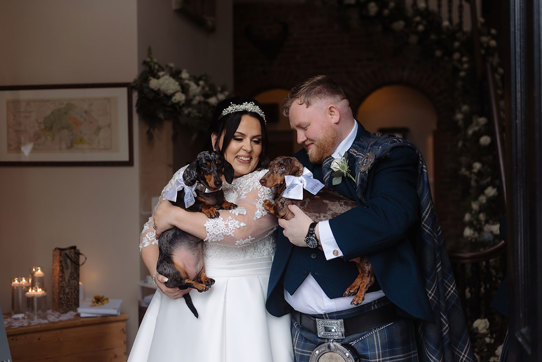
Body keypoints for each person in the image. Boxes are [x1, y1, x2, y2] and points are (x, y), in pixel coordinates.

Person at [266, 75, 475, 361]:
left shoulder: (389, 155)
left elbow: (392, 215)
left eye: (304, 127)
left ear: (333, 113)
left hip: (373, 329)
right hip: (302, 332)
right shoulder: (295, 164)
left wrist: (314, 233)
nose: (299, 138)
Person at [129, 96, 294, 362]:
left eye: (256, 140)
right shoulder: (187, 175)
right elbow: (150, 231)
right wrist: (160, 278)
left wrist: (173, 214)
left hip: (248, 303)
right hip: (186, 299)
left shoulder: (267, 182)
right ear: (217, 139)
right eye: (238, 138)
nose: (247, 149)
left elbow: (241, 229)